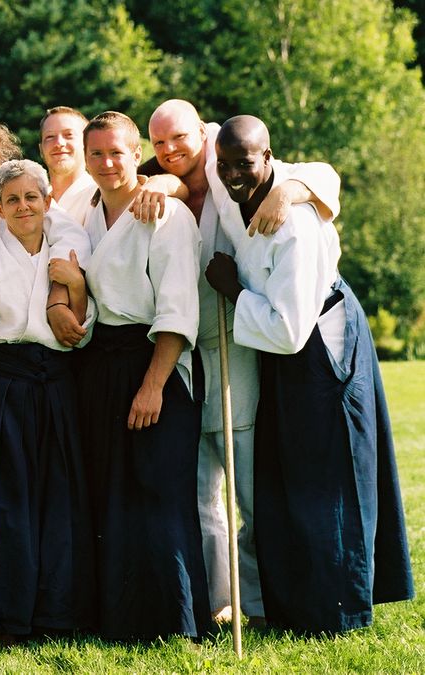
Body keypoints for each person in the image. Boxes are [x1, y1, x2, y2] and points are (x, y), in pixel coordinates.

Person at [204, 115, 414, 635]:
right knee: (292, 474)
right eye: (223, 164)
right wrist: (153, 177)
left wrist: (232, 290)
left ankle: (337, 608)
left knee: (329, 473)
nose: (231, 173)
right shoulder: (224, 169)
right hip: (282, 344)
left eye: (244, 163)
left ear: (270, 159)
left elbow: (290, 330)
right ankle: (294, 602)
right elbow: (187, 142)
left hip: (320, 342)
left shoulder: (295, 225)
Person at [142, 99, 341, 624]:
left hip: (242, 342)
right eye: (158, 143)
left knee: (249, 480)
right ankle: (217, 602)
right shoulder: (154, 177)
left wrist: (292, 189)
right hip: (183, 347)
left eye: (178, 139)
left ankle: (257, 600)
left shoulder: (229, 162)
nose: (169, 151)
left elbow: (320, 174)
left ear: (202, 133)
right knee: (201, 484)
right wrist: (165, 185)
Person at [78, 111, 210, 641]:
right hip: (101, 361)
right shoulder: (86, 216)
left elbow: (177, 307)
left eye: (118, 152)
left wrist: (154, 383)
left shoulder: (166, 216)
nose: (108, 164)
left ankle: (175, 620)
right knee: (113, 491)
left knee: (159, 489)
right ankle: (120, 617)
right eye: (97, 154)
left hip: (156, 360)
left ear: (139, 155)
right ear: (86, 160)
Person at [0, 159, 94, 642]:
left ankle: (55, 614)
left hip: (56, 380)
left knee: (57, 496)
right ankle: (7, 615)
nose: (22, 206)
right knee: (7, 499)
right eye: (11, 200)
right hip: (5, 382)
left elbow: (81, 325)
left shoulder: (67, 252)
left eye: (31, 197)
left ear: (47, 201)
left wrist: (73, 285)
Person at [38, 106, 96, 224]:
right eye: (50, 137)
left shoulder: (100, 195)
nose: (59, 143)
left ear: (87, 144)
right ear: (41, 149)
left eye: (69, 135)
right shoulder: (35, 200)